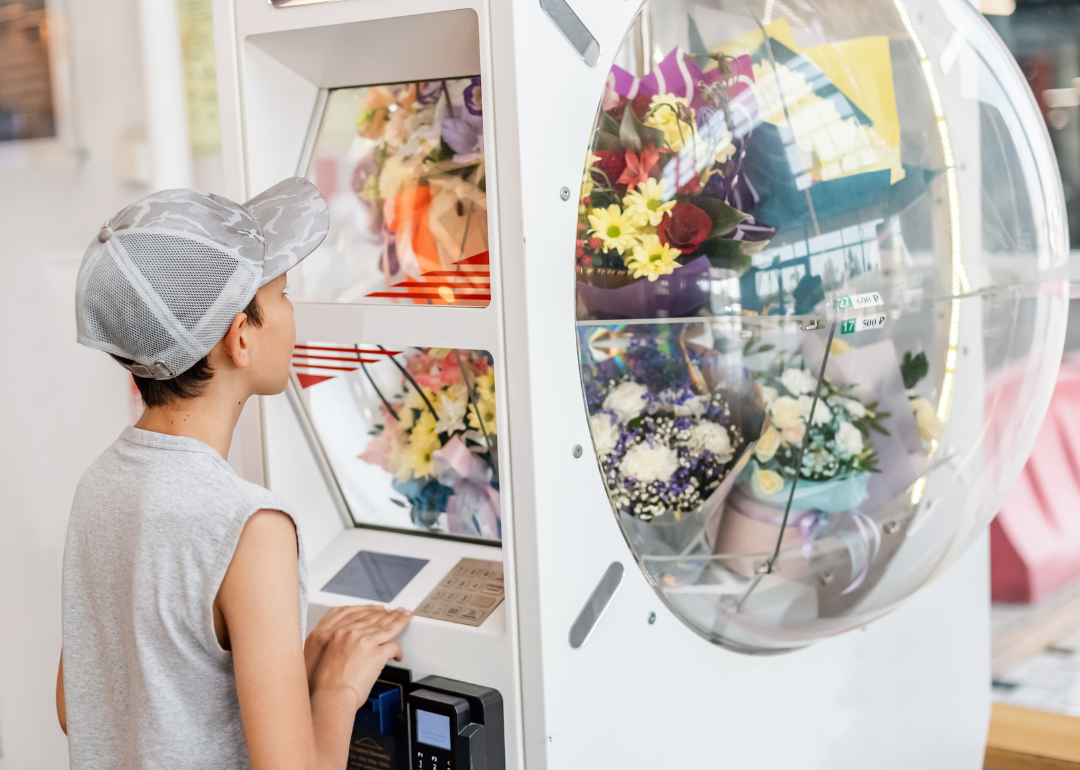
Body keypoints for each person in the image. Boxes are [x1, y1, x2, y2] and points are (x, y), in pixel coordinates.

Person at [56, 178, 412, 769]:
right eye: (284, 295)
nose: (293, 313)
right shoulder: (251, 527)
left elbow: (81, 707)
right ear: (240, 338)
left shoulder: (99, 485)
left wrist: (283, 675)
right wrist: (335, 691)